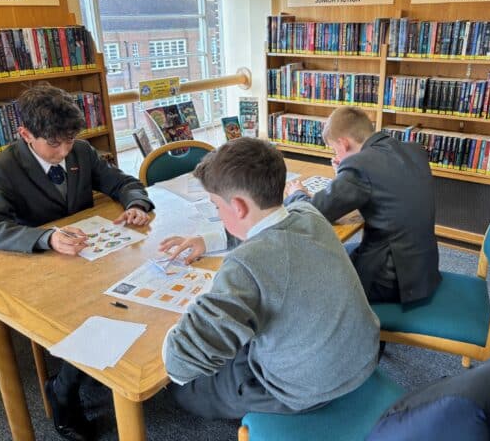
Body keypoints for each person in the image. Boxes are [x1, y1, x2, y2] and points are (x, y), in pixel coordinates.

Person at [0, 83, 154, 441]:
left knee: (134, 288)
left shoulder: (81, 151)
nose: (64, 151)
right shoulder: (4, 167)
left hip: (90, 259)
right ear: (26, 134)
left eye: (69, 140)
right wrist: (46, 238)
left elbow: (122, 183)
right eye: (54, 143)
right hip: (40, 271)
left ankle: (100, 363)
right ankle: (63, 389)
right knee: (100, 309)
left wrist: (135, 204)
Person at [158, 137, 380, 419]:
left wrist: (174, 331)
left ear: (238, 206)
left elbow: (179, 364)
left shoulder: (246, 264)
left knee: (188, 389)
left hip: (307, 390)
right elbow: (271, 225)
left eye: (216, 206)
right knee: (242, 335)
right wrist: (208, 239)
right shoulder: (308, 214)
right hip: (360, 359)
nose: (218, 213)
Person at [285, 106, 440, 304]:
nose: (336, 156)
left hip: (390, 280)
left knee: (309, 270)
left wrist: (296, 193)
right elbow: (380, 190)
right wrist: (343, 176)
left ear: (343, 143)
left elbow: (312, 213)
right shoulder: (413, 150)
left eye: (334, 149)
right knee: (340, 252)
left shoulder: (359, 166)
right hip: (423, 270)